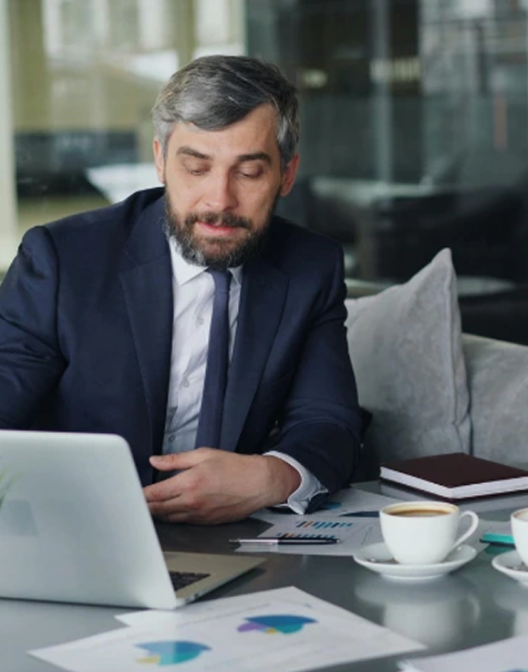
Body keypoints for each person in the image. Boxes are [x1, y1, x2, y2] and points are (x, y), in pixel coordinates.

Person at [0, 55, 362, 524]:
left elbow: (327, 421)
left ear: (286, 175)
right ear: (160, 160)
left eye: (248, 173)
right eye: (196, 168)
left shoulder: (311, 267)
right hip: (78, 526)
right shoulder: (61, 260)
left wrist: (270, 476)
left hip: (233, 539)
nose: (220, 200)